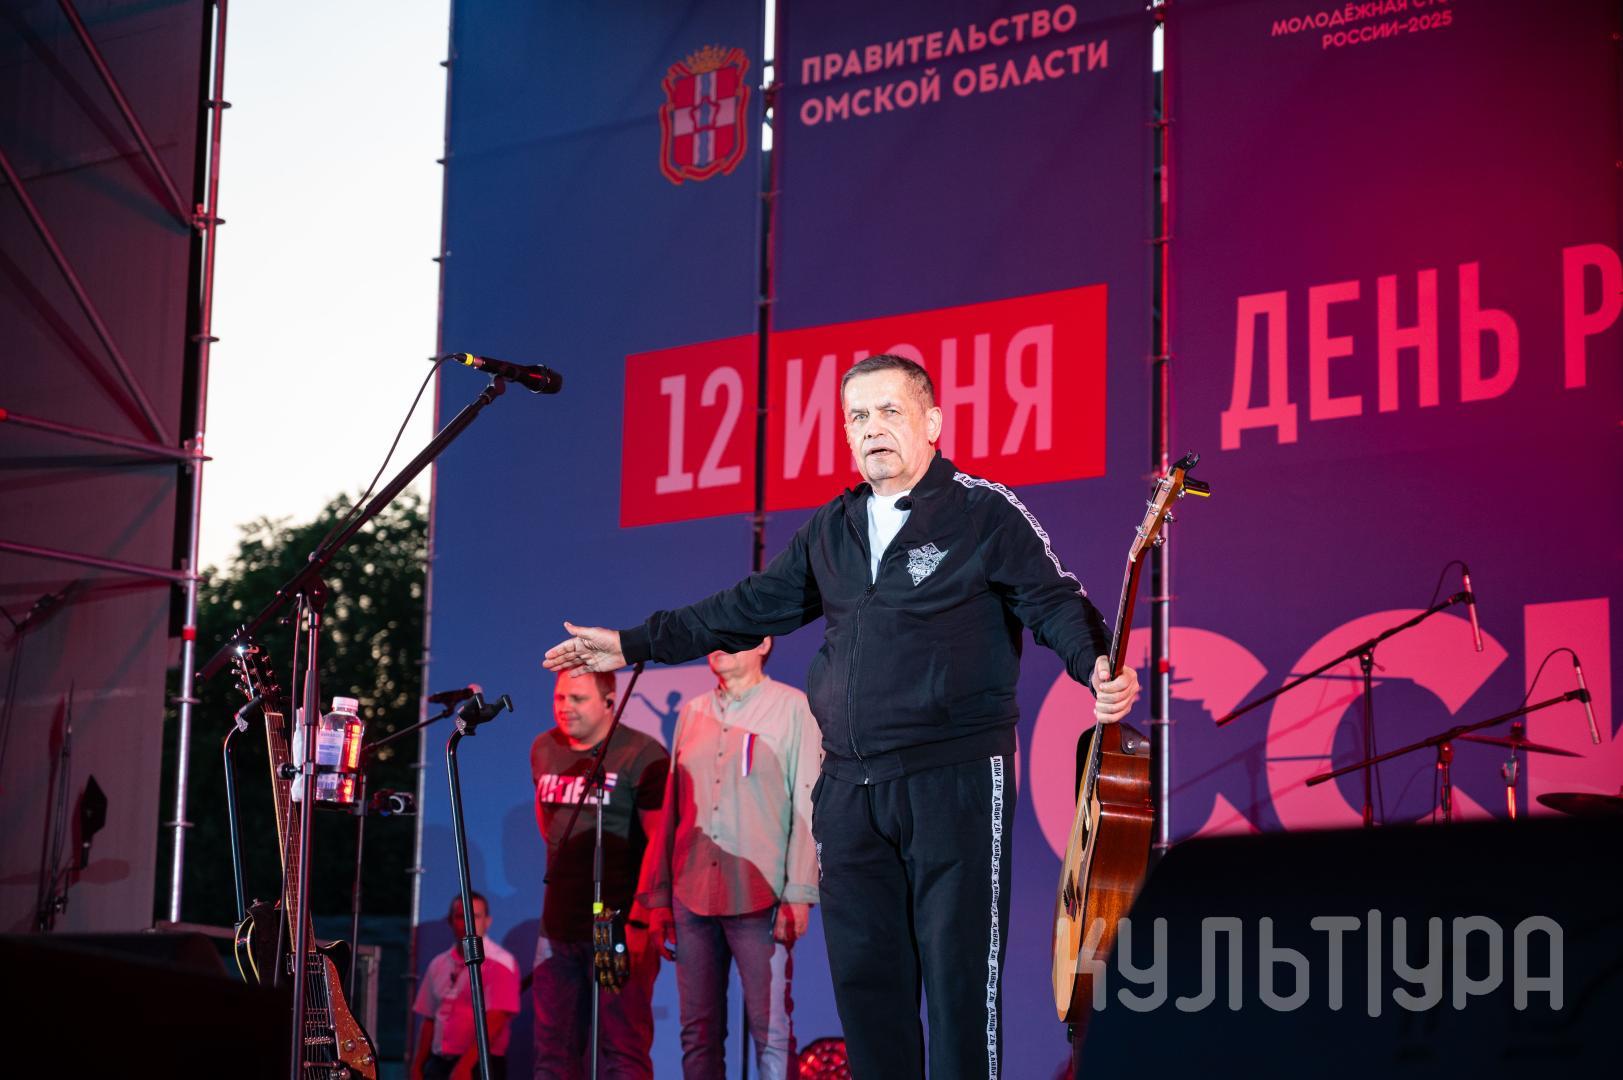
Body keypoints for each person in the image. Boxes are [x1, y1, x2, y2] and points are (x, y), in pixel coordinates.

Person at [543, 355, 1139, 1079]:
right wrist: (632, 643)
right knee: (867, 993)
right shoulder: (834, 527)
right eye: (858, 416)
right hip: (850, 790)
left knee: (959, 991)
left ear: (931, 422)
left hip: (952, 775)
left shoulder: (981, 512)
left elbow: (1053, 599)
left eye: (889, 411)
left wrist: (1093, 661)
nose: (872, 428)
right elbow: (744, 608)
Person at [637, 638, 819, 1080]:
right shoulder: (692, 712)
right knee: (697, 1032)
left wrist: (799, 891)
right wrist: (660, 896)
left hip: (760, 896)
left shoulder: (793, 709)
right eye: (713, 636)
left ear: (763, 643)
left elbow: (807, 804)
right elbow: (673, 807)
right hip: (691, 894)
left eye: (731, 635)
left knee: (771, 1030)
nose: (717, 645)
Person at [531, 669, 668, 1079]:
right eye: (560, 697)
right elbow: (549, 828)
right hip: (557, 926)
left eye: (577, 698)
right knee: (552, 1052)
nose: (565, 707)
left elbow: (660, 841)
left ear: (610, 702)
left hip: (616, 923)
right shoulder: (544, 748)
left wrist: (641, 918)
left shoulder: (642, 754)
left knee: (622, 1050)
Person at [411, 890, 523, 1080]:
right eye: (461, 917)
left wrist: (465, 1066)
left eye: (475, 917)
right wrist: (418, 1066)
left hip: (480, 1065)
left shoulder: (501, 963)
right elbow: (430, 1018)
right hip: (439, 1063)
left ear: (487, 921)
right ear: (450, 921)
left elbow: (495, 1020)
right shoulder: (438, 963)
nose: (468, 923)